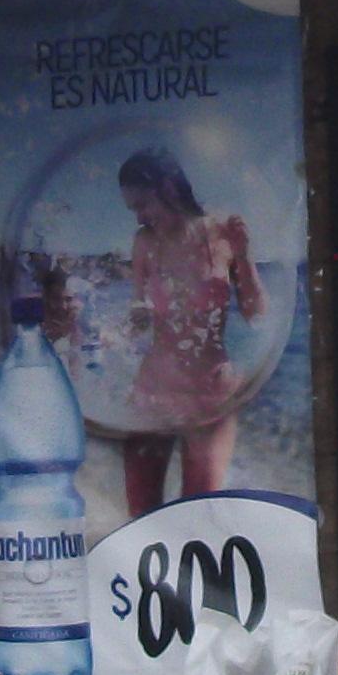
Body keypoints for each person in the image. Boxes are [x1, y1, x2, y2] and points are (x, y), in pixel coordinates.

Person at [114, 143, 263, 515]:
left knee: (196, 516)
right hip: (154, 391)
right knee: (142, 518)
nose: (139, 217)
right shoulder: (145, 242)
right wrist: (113, 334)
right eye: (133, 210)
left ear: (167, 188)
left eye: (142, 205)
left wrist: (244, 255)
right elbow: (138, 313)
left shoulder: (223, 233)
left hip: (210, 395)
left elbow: (256, 314)